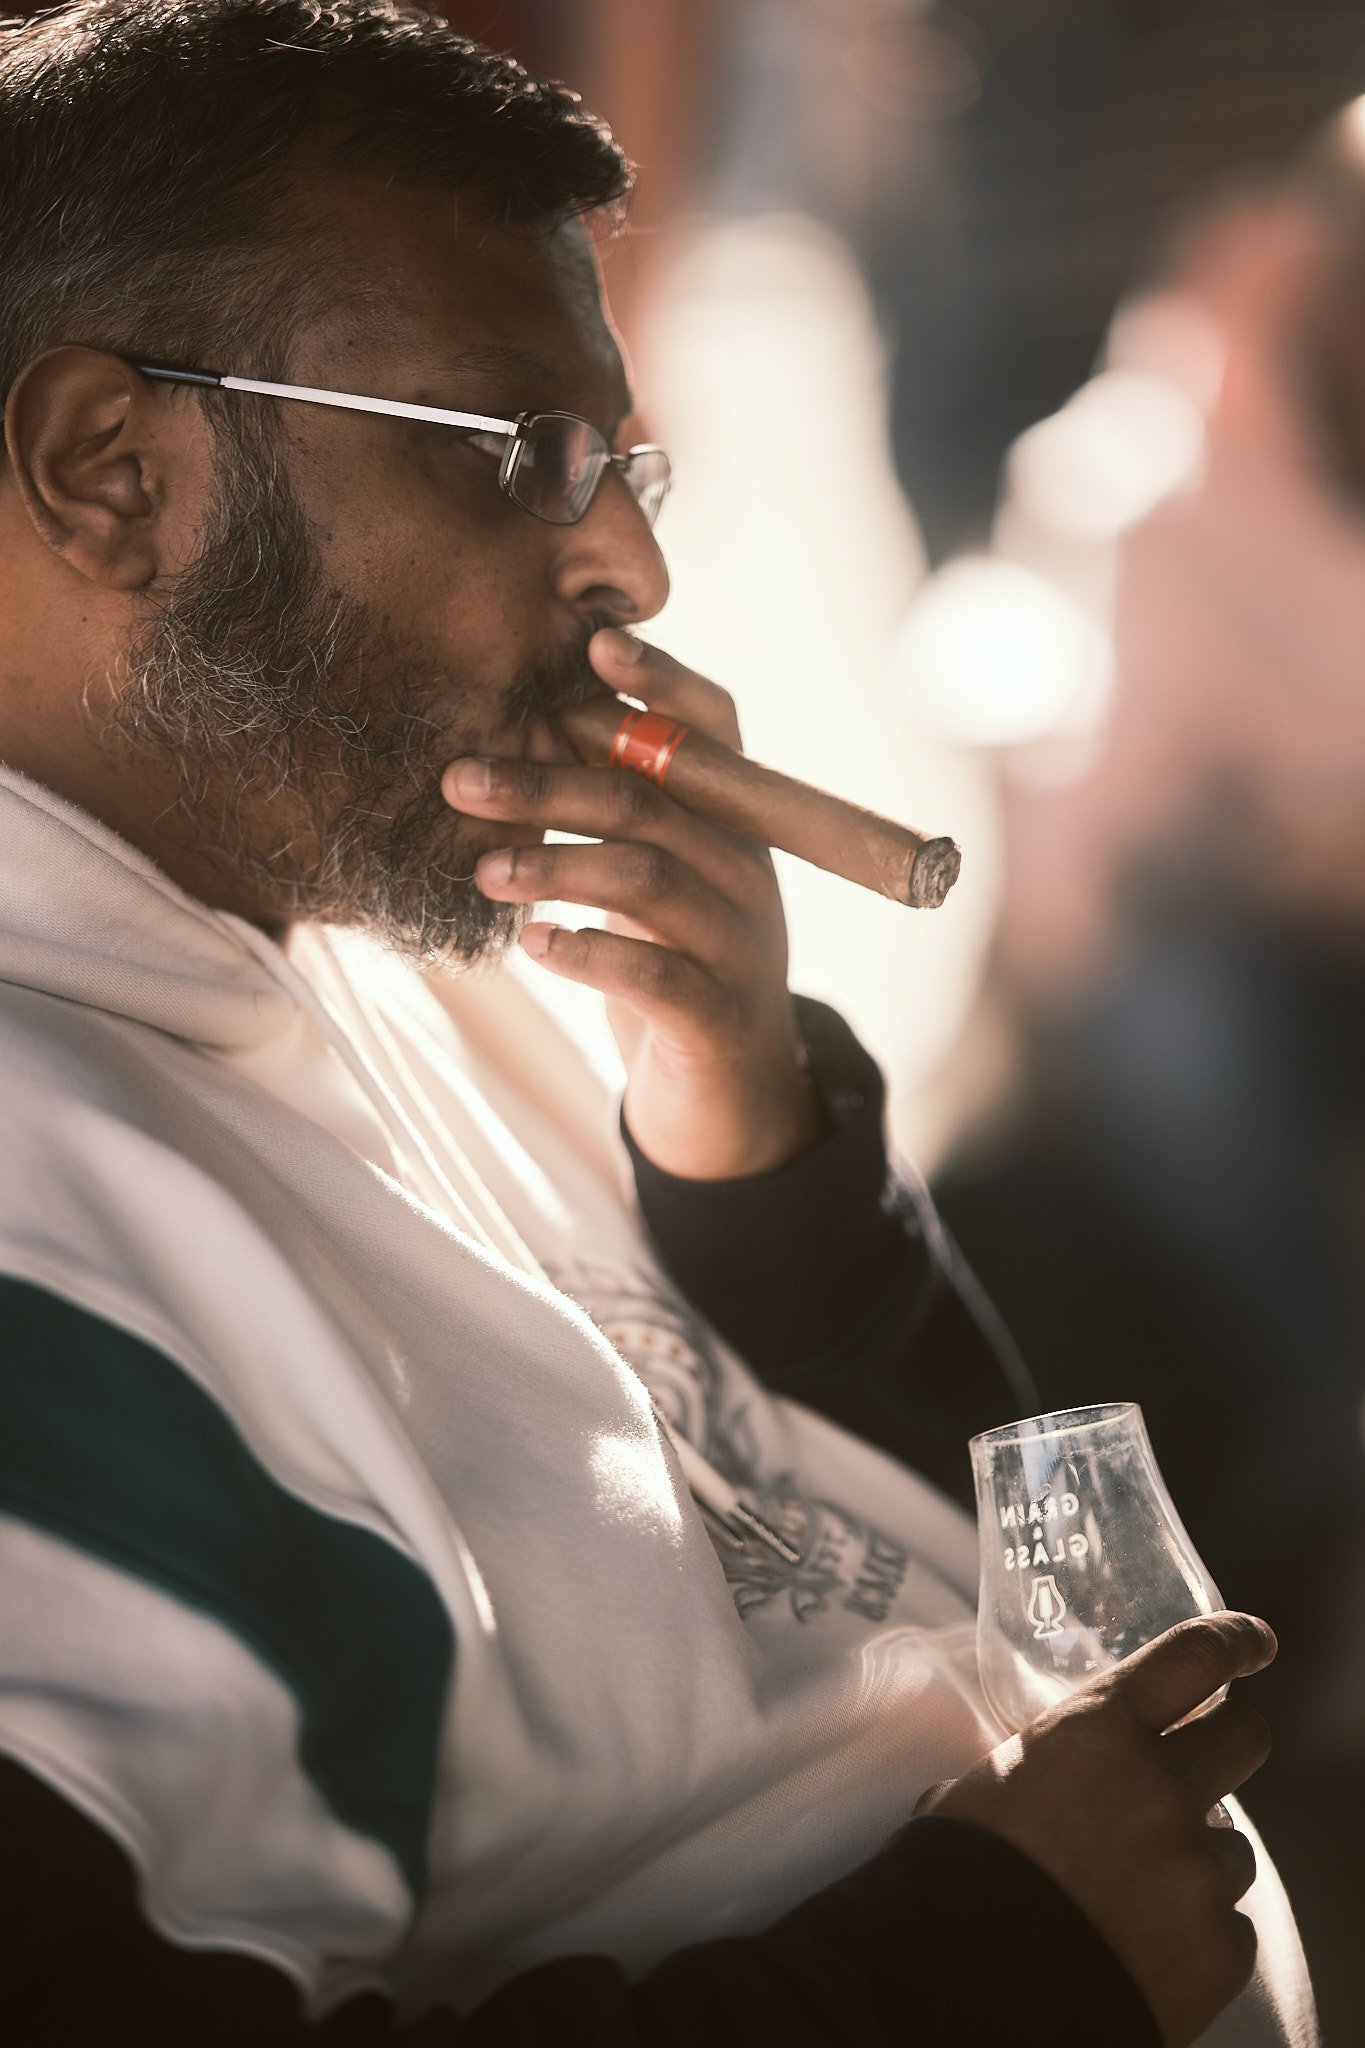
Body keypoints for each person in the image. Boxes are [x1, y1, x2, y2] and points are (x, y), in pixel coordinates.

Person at [0, 4, 1315, 2043]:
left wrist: (752, 1140)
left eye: (623, 461)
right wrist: (976, 1969)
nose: (630, 560)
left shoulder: (372, 904)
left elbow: (903, 1547)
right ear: (112, 471)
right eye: (520, 456)